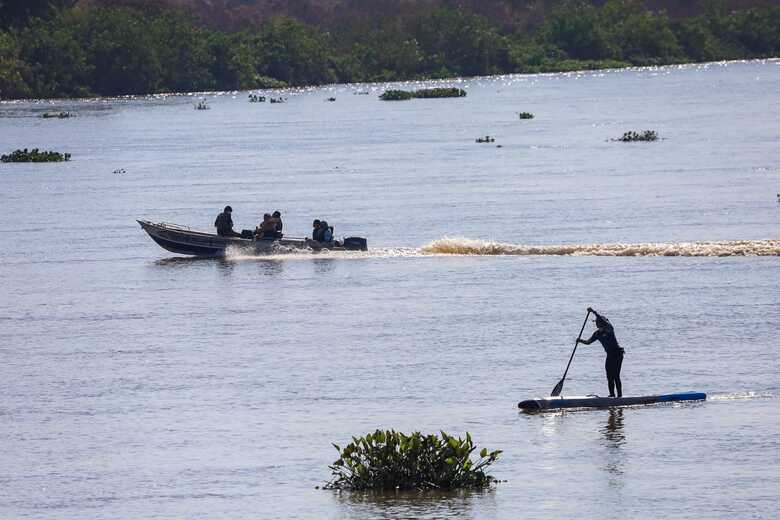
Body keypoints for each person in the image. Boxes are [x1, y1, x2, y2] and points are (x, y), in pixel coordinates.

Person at [577, 307, 625, 398]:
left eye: (599, 322)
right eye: (597, 322)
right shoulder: (597, 334)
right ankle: (612, 395)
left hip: (618, 354)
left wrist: (594, 312)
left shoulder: (609, 329)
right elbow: (588, 342)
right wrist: (580, 341)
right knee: (609, 376)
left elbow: (603, 321)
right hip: (610, 355)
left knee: (616, 375)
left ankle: (620, 397)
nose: (598, 323)